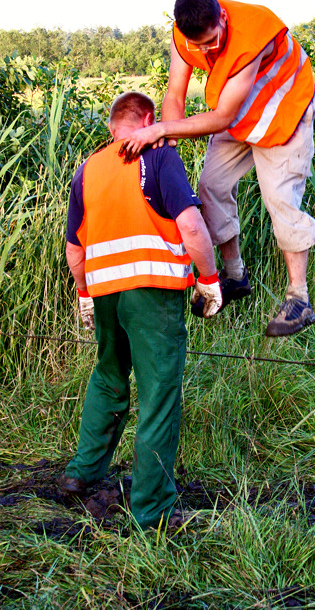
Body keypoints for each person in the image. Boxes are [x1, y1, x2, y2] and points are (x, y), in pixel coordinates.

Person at [59, 91, 222, 530]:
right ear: (149, 119)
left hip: (105, 294)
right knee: (158, 396)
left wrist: (84, 295)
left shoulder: (88, 170)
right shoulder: (159, 154)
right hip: (153, 293)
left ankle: (82, 472)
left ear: (113, 127)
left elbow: (76, 250)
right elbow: (190, 224)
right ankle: (152, 510)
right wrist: (209, 281)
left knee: (108, 376)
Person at [119, 0, 315, 337]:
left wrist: (161, 130)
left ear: (223, 19)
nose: (203, 52)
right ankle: (235, 276)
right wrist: (166, 150)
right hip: (242, 112)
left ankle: (299, 300)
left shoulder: (252, 33)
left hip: (283, 108)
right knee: (211, 186)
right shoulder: (186, 37)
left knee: (279, 198)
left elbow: (223, 115)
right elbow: (175, 93)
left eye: (211, 43)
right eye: (196, 45)